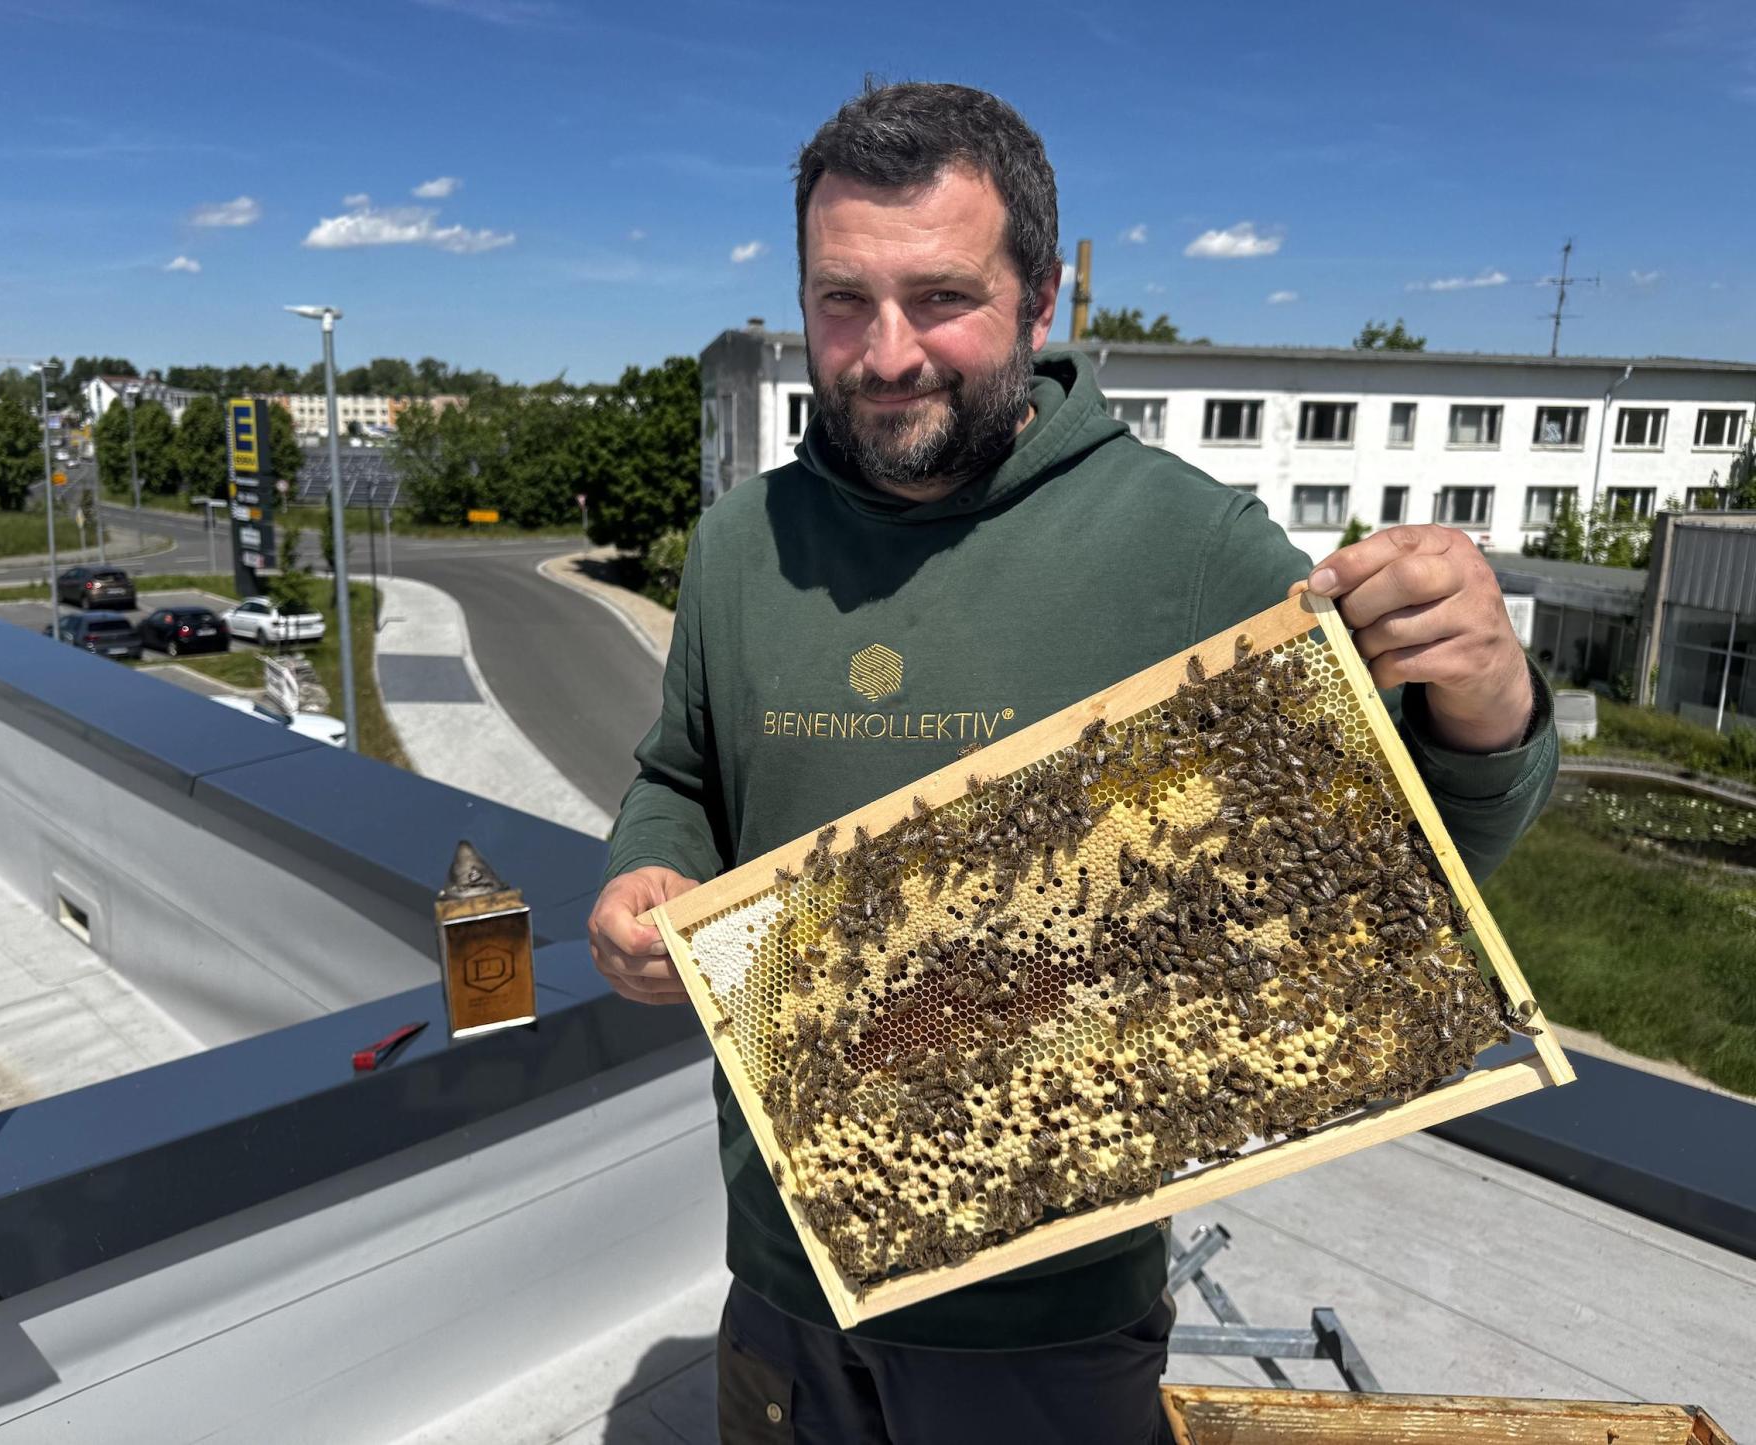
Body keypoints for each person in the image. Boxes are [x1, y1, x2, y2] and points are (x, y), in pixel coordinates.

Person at [589, 81, 1556, 1444]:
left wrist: (1488, 699)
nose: (885, 353)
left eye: (941, 297)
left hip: (1046, 1316)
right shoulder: (743, 543)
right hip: (781, 1267)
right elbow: (684, 773)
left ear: (1041, 300)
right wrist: (649, 865)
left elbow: (1399, 869)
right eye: (842, 301)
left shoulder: (1188, 548)